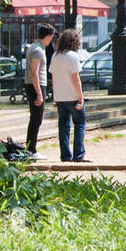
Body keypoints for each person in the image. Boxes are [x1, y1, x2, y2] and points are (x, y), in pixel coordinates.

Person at [49, 27, 86, 162]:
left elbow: (53, 78)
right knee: (79, 124)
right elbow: (76, 78)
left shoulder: (55, 56)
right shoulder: (73, 56)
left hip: (60, 97)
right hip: (73, 96)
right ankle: (78, 155)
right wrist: (80, 96)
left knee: (63, 126)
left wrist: (54, 96)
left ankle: (65, 155)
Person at [23, 24, 55, 157]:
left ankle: (30, 149)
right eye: (51, 38)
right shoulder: (38, 50)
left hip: (32, 84)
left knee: (35, 119)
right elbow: (34, 72)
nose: (51, 41)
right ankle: (31, 150)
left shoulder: (33, 47)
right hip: (35, 85)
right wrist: (39, 93)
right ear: (48, 36)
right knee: (36, 119)